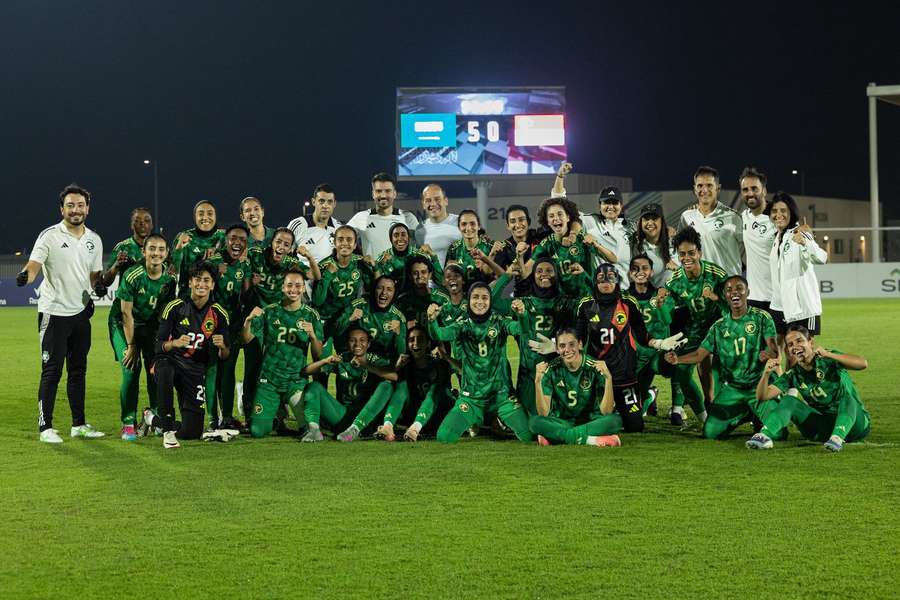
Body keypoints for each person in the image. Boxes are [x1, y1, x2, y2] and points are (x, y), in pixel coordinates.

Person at [18, 183, 106, 443]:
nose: (75, 210)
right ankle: (46, 427)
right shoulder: (49, 236)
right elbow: (34, 265)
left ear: (87, 209)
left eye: (80, 205)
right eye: (70, 205)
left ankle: (78, 425)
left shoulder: (94, 240)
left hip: (80, 314)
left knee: (78, 370)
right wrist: (26, 275)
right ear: (62, 208)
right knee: (52, 370)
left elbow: (93, 276)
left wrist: (99, 285)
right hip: (53, 313)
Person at [572, 263, 686, 433]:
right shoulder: (585, 305)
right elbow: (578, 339)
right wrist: (557, 347)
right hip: (597, 373)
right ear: (595, 281)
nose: (606, 282)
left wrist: (659, 343)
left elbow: (641, 334)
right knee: (592, 421)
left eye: (610, 277)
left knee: (635, 426)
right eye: (601, 278)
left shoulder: (628, 303)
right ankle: (613, 410)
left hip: (624, 373)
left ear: (617, 280)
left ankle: (643, 399)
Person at [664, 275, 779, 440]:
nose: (734, 292)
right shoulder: (718, 327)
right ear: (725, 296)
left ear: (748, 292)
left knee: (779, 433)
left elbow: (773, 347)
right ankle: (746, 414)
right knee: (711, 433)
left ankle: (758, 412)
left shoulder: (761, 317)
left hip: (759, 386)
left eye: (739, 288)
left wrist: (769, 353)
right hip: (733, 389)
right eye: (729, 290)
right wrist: (678, 360)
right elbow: (699, 355)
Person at [427, 283, 533, 443]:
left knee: (528, 436)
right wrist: (432, 320)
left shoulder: (499, 321)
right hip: (472, 399)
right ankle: (479, 422)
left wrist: (523, 315)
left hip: (501, 398)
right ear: (468, 300)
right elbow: (440, 334)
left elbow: (521, 331)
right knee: (444, 436)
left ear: (490, 301)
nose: (480, 302)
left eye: (485, 298)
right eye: (475, 297)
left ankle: (489, 421)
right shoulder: (462, 325)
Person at [141, 262, 230, 449]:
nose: (201, 284)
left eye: (206, 280)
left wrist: (222, 347)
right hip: (169, 360)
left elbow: (225, 355)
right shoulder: (175, 307)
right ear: (190, 282)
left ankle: (151, 419)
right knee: (164, 370)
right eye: (197, 279)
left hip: (195, 370)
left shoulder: (219, 314)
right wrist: (173, 343)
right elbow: (158, 345)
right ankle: (167, 432)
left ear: (213, 285)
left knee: (192, 432)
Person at [747, 325, 870, 452]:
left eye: (799, 341)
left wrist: (829, 355)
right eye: (790, 345)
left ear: (811, 342)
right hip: (823, 428)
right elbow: (762, 396)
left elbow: (862, 364)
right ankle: (764, 436)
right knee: (789, 400)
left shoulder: (828, 359)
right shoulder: (793, 374)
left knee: (847, 397)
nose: (795, 346)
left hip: (855, 425)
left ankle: (837, 437)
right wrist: (766, 374)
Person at [243, 228, 318, 421]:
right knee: (253, 364)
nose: (281, 246)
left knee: (277, 362)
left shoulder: (291, 263)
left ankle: (279, 410)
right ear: (272, 242)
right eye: (278, 242)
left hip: (279, 316)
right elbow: (239, 261)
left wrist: (309, 256)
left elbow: (314, 276)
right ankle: (248, 405)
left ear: (291, 248)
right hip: (257, 315)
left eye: (286, 244)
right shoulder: (256, 254)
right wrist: (250, 282)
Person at [239, 269, 323, 438]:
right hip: (269, 380)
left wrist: (313, 337)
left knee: (307, 427)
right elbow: (245, 340)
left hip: (295, 381)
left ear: (304, 288)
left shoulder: (311, 315)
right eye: (289, 285)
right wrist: (247, 321)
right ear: (283, 288)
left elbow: (317, 356)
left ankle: (283, 408)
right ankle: (276, 414)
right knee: (258, 431)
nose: (294, 289)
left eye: (298, 285)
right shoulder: (270, 311)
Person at [492, 258, 582, 416]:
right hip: (528, 375)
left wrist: (582, 277)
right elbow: (493, 301)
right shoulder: (523, 303)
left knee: (558, 418)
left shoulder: (566, 303)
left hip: (558, 370)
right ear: (533, 275)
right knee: (533, 424)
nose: (544, 274)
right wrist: (507, 275)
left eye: (549, 270)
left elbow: (588, 311)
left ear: (557, 275)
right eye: (539, 271)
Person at [108, 233, 175, 440]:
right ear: (144, 252)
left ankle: (154, 417)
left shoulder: (170, 279)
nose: (156, 253)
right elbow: (126, 314)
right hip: (122, 325)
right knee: (131, 369)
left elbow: (165, 313)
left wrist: (161, 343)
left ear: (167, 253)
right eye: (152, 248)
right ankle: (128, 422)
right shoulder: (132, 275)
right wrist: (131, 344)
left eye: (161, 249)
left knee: (156, 369)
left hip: (150, 327)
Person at [657, 226, 728, 423]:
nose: (686, 258)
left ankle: (728, 407)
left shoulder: (717, 274)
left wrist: (716, 298)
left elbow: (733, 303)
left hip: (720, 326)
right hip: (695, 328)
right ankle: (705, 412)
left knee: (721, 367)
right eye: (682, 254)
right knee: (681, 372)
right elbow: (666, 302)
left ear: (700, 252)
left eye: (691, 253)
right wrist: (662, 298)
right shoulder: (676, 280)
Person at [300, 327, 399, 442]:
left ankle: (356, 429)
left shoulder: (375, 360)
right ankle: (314, 430)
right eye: (353, 340)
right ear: (347, 343)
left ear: (368, 344)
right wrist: (325, 361)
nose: (357, 344)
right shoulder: (343, 359)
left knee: (386, 386)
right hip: (343, 416)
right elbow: (306, 371)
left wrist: (365, 365)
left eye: (362, 340)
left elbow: (395, 376)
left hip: (368, 418)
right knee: (314, 387)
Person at [531, 330, 623, 447]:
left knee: (615, 421)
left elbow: (606, 412)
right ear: (557, 349)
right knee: (534, 422)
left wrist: (608, 379)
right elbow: (543, 413)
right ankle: (590, 440)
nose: (567, 350)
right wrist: (537, 382)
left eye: (571, 344)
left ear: (580, 344)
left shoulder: (595, 367)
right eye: (562, 346)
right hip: (564, 422)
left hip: (591, 421)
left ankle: (558, 437)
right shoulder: (551, 369)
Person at [624, 254, 681, 417]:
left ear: (651, 272)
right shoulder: (623, 298)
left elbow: (667, 320)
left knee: (674, 363)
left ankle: (677, 409)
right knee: (633, 413)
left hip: (658, 354)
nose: (640, 272)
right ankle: (648, 396)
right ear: (629, 273)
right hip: (635, 356)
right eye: (635, 268)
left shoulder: (662, 294)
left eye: (644, 268)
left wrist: (661, 304)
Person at [376, 326, 456, 442]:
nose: (415, 343)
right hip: (413, 415)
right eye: (411, 340)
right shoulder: (406, 365)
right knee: (400, 386)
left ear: (428, 344)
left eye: (420, 340)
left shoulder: (439, 364)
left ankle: (415, 429)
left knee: (436, 390)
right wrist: (397, 367)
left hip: (438, 416)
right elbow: (388, 379)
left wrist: (445, 357)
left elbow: (461, 373)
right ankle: (388, 426)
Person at [208, 224, 252, 429]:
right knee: (212, 371)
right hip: (211, 325)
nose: (238, 243)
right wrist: (215, 271)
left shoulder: (244, 266)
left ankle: (226, 416)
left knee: (227, 370)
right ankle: (212, 417)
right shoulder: (213, 262)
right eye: (233, 238)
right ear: (226, 241)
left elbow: (246, 295)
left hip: (232, 326)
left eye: (242, 239)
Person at [527, 197, 615, 297]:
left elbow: (613, 259)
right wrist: (519, 256)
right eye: (551, 216)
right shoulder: (546, 244)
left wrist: (596, 244)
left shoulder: (581, 237)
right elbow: (526, 271)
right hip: (562, 301)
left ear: (568, 217)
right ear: (547, 221)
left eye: (560, 214)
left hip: (586, 296)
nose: (556, 218)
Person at [768, 192, 827, 337]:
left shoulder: (799, 232)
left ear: (791, 212)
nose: (778, 214)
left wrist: (806, 241)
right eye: (775, 211)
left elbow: (822, 257)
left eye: (783, 210)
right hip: (779, 306)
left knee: (804, 355)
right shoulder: (777, 237)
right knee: (782, 353)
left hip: (803, 308)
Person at [312, 225, 376, 354]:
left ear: (354, 244)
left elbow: (372, 289)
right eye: (340, 239)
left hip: (346, 318)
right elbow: (317, 301)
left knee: (346, 360)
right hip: (324, 319)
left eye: (349, 239)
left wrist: (374, 268)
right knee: (322, 365)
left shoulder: (360, 263)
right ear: (334, 243)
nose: (345, 243)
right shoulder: (324, 265)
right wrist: (328, 275)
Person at [679, 166, 743, 276]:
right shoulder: (686, 217)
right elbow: (680, 249)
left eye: (709, 185)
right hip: (699, 288)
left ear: (718, 188)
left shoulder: (732, 217)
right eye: (700, 186)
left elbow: (751, 246)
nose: (704, 190)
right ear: (695, 189)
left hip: (727, 288)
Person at [334, 276, 407, 365]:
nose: (384, 293)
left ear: (395, 293)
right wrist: (349, 320)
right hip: (355, 362)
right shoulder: (359, 305)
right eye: (380, 288)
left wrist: (398, 335)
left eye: (389, 289)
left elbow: (402, 354)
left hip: (381, 365)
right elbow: (336, 330)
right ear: (374, 290)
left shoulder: (398, 318)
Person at [346, 172, 419, 259]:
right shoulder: (361, 217)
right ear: (373, 194)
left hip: (401, 272)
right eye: (379, 191)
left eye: (388, 191)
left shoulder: (408, 218)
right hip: (372, 272)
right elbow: (342, 238)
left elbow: (422, 244)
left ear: (394, 194)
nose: (383, 195)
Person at [738, 167, 777, 314]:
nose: (750, 193)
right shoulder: (743, 217)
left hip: (779, 297)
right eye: (745, 189)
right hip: (754, 297)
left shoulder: (779, 216)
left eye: (754, 188)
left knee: (784, 338)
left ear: (764, 191)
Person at [171, 200, 225, 297]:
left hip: (218, 300)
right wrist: (179, 247)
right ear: (195, 217)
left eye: (210, 213)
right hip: (187, 299)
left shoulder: (225, 237)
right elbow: (173, 269)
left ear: (215, 216)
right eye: (200, 214)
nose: (205, 217)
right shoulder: (184, 237)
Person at [492, 204, 542, 297]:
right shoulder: (504, 248)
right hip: (520, 300)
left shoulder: (540, 238)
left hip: (544, 296)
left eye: (521, 219)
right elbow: (498, 280)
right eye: (513, 221)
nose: (518, 225)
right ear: (508, 226)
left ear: (529, 222)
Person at [376, 223, 442, 292]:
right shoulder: (383, 259)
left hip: (417, 297)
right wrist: (379, 266)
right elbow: (372, 286)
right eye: (396, 235)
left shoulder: (419, 255)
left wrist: (434, 257)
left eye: (403, 235)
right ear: (391, 239)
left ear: (408, 237)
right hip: (394, 300)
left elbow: (438, 282)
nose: (400, 239)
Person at [288, 183, 342, 264]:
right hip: (304, 275)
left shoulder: (339, 227)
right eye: (321, 201)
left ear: (334, 204)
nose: (325, 205)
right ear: (313, 202)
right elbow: (284, 252)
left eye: (329, 202)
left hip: (330, 276)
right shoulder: (298, 224)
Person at [100, 207, 154, 287]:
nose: (142, 223)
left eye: (147, 220)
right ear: (132, 225)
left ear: (152, 225)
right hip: (125, 299)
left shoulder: (159, 249)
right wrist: (116, 265)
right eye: (137, 220)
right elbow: (106, 282)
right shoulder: (122, 247)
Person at [629, 203, 678, 289]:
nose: (650, 223)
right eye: (646, 219)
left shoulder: (675, 240)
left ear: (662, 221)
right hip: (655, 299)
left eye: (654, 219)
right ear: (641, 222)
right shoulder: (636, 248)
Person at [445, 209, 498, 285]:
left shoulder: (491, 246)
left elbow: (500, 276)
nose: (468, 228)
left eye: (472, 224)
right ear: (459, 227)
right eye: (464, 224)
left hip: (487, 294)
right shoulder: (453, 249)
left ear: (478, 226)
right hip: (462, 294)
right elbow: (448, 277)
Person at [414, 183, 460, 266]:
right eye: (428, 200)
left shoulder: (461, 222)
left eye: (437, 199)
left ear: (446, 201)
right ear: (423, 204)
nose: (433, 204)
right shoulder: (420, 230)